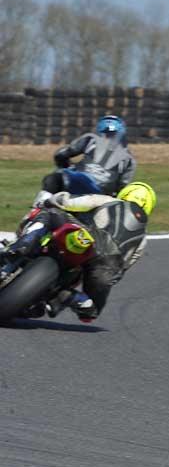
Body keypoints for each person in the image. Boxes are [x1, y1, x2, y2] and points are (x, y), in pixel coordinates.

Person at [6, 182, 156, 322]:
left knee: (49, 212)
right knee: (92, 312)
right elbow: (123, 267)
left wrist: (50, 200)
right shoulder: (143, 240)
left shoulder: (108, 200)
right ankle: (70, 297)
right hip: (108, 267)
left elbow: (68, 202)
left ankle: (23, 244)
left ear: (125, 193)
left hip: (90, 238)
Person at [34, 115, 137, 205]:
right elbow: (122, 188)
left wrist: (67, 167)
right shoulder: (129, 159)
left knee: (54, 178)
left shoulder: (91, 139)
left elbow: (61, 154)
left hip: (81, 183)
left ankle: (38, 209)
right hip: (104, 198)